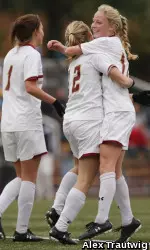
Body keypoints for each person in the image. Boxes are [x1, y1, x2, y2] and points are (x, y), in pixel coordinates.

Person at [47, 5, 148, 244]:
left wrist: (131, 84)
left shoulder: (94, 52)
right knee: (111, 170)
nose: (94, 25)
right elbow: (113, 84)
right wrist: (132, 91)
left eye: (98, 21)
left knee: (102, 168)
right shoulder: (100, 50)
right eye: (92, 22)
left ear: (111, 27)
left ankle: (101, 219)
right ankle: (128, 220)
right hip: (110, 113)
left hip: (110, 114)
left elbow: (116, 76)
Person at [0, 14, 65, 241]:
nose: (44, 32)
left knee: (21, 177)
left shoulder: (10, 54)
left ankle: (14, 224)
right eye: (42, 28)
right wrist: (55, 102)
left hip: (8, 123)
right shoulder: (31, 54)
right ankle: (21, 230)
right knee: (29, 178)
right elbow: (30, 86)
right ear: (35, 31)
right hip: (26, 121)